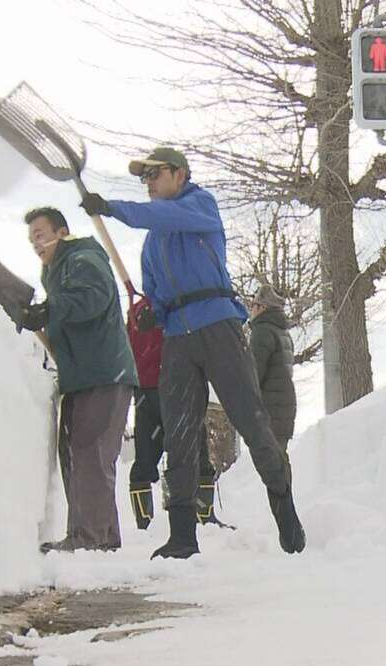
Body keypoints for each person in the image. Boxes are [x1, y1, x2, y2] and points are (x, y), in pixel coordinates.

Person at [80, 147, 305, 559]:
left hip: (218, 326)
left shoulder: (200, 205)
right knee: (179, 434)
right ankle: (182, 535)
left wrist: (112, 208)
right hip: (179, 339)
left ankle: (285, 510)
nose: (148, 184)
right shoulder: (152, 246)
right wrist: (155, 313)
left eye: (154, 175)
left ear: (179, 174)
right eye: (143, 179)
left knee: (252, 422)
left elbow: (163, 217)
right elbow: (156, 292)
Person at [18, 206, 137, 553]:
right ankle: (100, 536)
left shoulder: (82, 257)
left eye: (40, 235)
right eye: (31, 240)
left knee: (90, 454)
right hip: (84, 377)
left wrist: (50, 308)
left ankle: (91, 539)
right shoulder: (57, 273)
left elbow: (92, 298)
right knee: (79, 455)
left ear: (62, 231)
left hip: (103, 372)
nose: (36, 245)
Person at [126, 301, 224, 529]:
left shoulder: (136, 311)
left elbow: (128, 347)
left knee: (144, 458)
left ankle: (144, 523)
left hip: (144, 390)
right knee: (195, 449)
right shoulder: (177, 305)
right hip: (175, 386)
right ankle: (204, 516)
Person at [247, 285, 297, 454]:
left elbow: (253, 373)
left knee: (272, 465)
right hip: (285, 407)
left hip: (269, 408)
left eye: (253, 305)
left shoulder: (262, 331)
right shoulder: (283, 332)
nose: (250, 310)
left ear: (262, 307)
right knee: (280, 461)